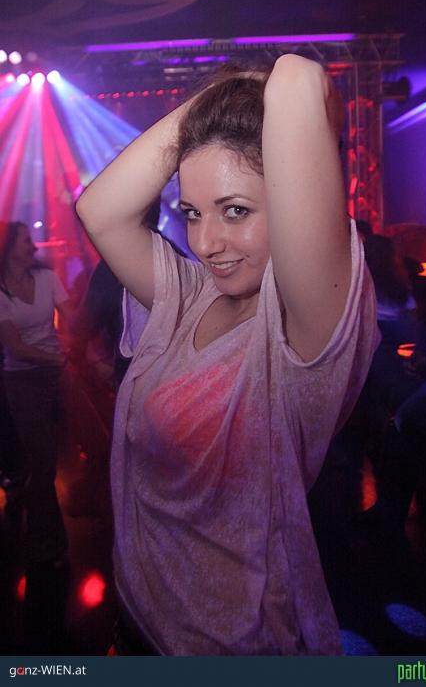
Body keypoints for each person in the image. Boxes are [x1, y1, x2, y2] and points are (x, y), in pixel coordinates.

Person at [77, 55, 378, 656]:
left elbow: (296, 79)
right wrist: (213, 105)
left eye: (235, 210)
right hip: (137, 624)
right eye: (192, 213)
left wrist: (239, 90)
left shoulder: (303, 332)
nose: (206, 242)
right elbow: (99, 210)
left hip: (227, 647)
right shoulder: (187, 298)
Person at [363, 189, 426, 537]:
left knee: (409, 424)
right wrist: (424, 353)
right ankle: (410, 514)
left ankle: (407, 516)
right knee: (407, 428)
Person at [0, 221, 72, 567]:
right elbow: (15, 348)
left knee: (97, 442)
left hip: (57, 374)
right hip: (23, 381)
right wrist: (59, 358)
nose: (33, 246)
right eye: (26, 241)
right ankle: (46, 545)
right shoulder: (1, 294)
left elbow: (74, 319)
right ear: (8, 248)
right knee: (43, 465)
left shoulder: (47, 279)